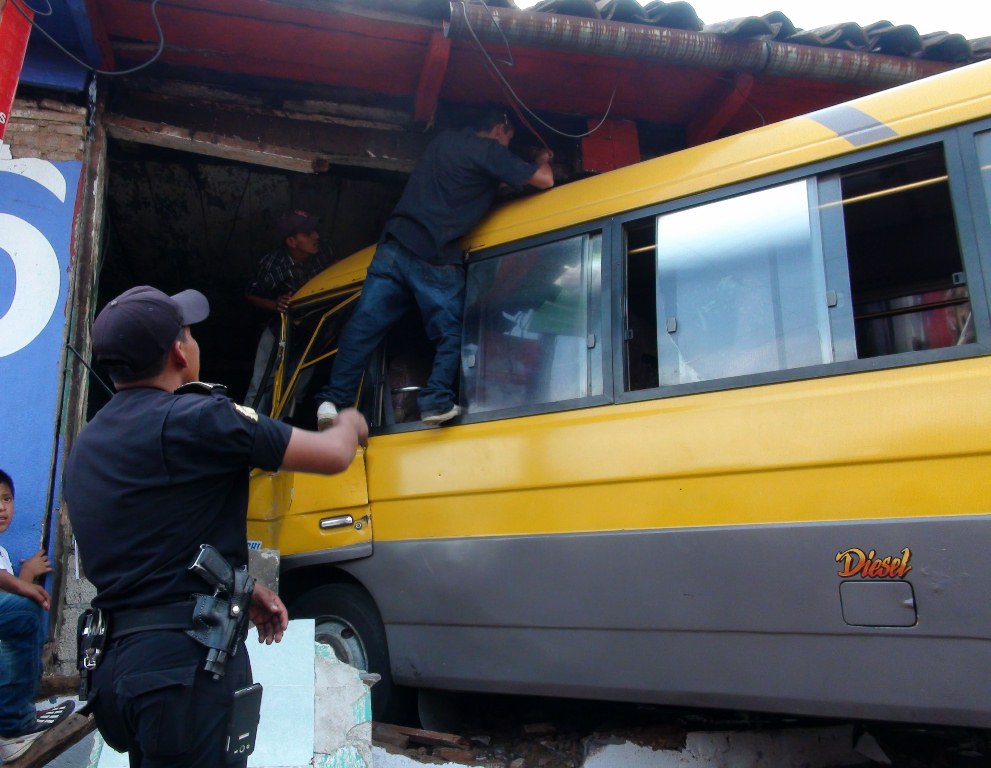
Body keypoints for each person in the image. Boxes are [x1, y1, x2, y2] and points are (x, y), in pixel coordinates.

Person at [63, 285, 368, 768]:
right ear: (179, 353)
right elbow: (332, 455)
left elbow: (159, 543)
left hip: (117, 670)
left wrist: (237, 588)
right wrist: (348, 422)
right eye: (189, 333)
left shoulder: (87, 444)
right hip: (182, 672)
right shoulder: (202, 418)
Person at [315, 107, 554, 429]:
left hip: (394, 247)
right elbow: (545, 180)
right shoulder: (490, 151)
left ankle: (332, 402)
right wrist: (541, 158)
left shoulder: (443, 142)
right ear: (501, 128)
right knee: (452, 332)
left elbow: (463, 185)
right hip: (434, 254)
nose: (507, 146)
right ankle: (436, 400)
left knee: (362, 328)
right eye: (509, 139)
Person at [0, 469, 74, 764]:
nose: (1, 507)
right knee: (25, 613)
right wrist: (24, 582)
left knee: (24, 616)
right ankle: (14, 724)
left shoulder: (2, 553)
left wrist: (24, 580)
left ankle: (18, 716)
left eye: (6, 499)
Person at [244, 210, 335, 412]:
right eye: (308, 233)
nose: (316, 236)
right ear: (292, 242)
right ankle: (248, 427)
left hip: (311, 333)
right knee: (261, 386)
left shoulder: (324, 252)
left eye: (315, 231)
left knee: (296, 389)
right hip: (278, 330)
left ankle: (283, 427)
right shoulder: (274, 265)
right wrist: (275, 304)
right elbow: (250, 294)